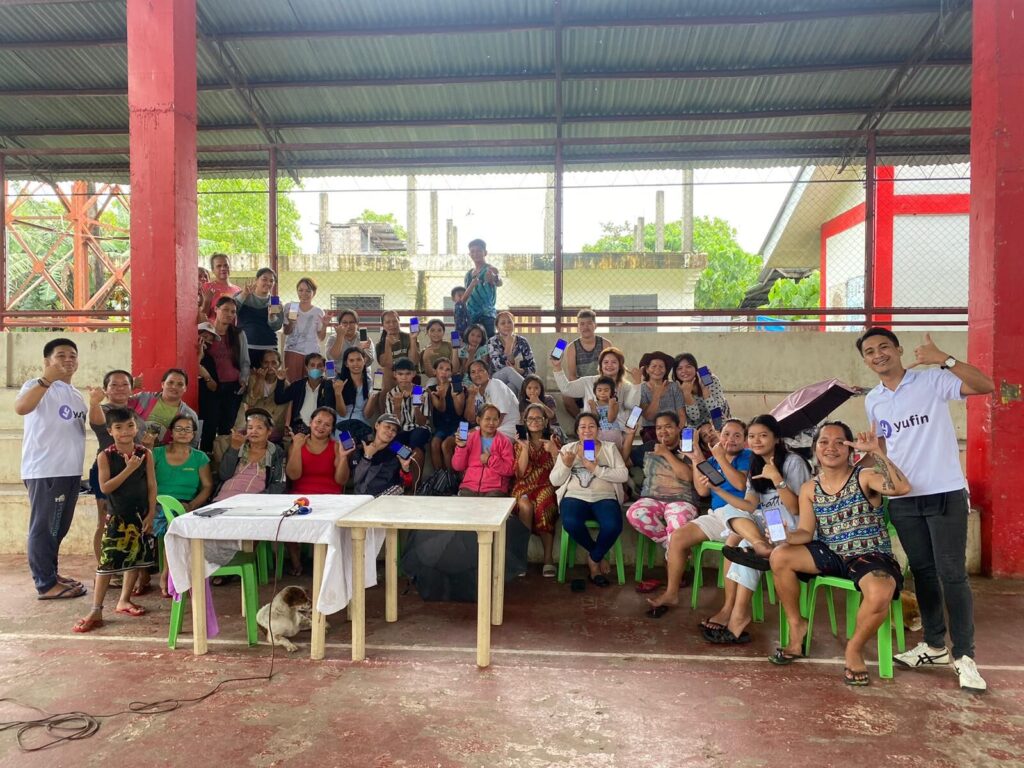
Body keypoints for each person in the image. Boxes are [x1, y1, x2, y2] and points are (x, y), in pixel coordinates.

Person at [859, 328, 994, 692]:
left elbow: (985, 385)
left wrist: (945, 359)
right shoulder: (873, 400)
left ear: (899, 350)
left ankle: (965, 655)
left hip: (945, 491)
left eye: (884, 347)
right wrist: (875, 454)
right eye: (870, 351)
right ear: (866, 361)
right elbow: (887, 449)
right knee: (922, 571)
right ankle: (934, 645)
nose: (878, 355)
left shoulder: (932, 381)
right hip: (903, 500)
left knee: (953, 574)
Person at [768, 421, 911, 685]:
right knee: (780, 556)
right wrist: (787, 537)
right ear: (815, 448)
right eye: (824, 442)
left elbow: (902, 488)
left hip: (869, 554)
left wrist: (877, 452)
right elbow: (806, 533)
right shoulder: (810, 488)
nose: (830, 448)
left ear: (849, 449)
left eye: (839, 442)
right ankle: (797, 626)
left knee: (880, 591)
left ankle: (854, 648)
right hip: (831, 552)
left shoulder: (864, 476)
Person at [708, 415, 810, 644]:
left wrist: (777, 480)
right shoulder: (755, 464)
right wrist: (719, 490)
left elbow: (797, 508)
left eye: (763, 436)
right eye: (752, 436)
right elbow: (749, 505)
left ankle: (738, 618)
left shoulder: (793, 462)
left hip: (792, 527)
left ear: (775, 438)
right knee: (733, 514)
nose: (756, 441)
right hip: (768, 525)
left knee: (743, 548)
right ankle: (759, 546)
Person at [645, 419, 752, 615]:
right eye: (726, 434)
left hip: (741, 516)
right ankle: (671, 593)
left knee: (733, 546)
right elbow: (702, 491)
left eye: (737, 435)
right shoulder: (710, 461)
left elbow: (740, 484)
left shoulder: (747, 456)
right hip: (716, 516)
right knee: (677, 537)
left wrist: (719, 457)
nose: (731, 439)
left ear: (745, 440)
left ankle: (730, 609)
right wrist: (696, 459)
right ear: (720, 436)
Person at [15, 338, 89, 600]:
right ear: (47, 361)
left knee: (58, 527)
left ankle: (51, 573)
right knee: (44, 528)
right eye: (61, 356)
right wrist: (46, 380)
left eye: (72, 355)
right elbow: (21, 407)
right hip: (46, 470)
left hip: (70, 471)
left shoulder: (77, 395)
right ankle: (45, 584)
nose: (68, 360)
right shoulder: (36, 385)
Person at [73, 407, 157, 633]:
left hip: (140, 516)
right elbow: (105, 487)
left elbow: (151, 485)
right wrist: (129, 469)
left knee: (134, 560)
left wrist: (151, 513)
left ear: (136, 426)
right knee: (107, 564)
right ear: (110, 431)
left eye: (129, 426)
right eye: (118, 428)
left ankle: (124, 600)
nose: (125, 431)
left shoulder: (145, 453)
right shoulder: (105, 456)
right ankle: (96, 608)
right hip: (117, 517)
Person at [550, 412, 629, 587]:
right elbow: (555, 480)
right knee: (570, 522)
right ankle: (597, 558)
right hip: (574, 497)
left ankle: (593, 559)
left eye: (591, 426)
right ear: (577, 431)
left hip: (605, 497)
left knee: (613, 525)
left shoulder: (609, 448)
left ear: (598, 430)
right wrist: (567, 465)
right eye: (583, 427)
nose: (587, 430)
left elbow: (623, 475)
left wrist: (596, 469)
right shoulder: (567, 449)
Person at [87, 370, 145, 567]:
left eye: (125, 385)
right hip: (106, 470)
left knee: (130, 519)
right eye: (114, 385)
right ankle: (104, 569)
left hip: (134, 470)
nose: (119, 388)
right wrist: (94, 402)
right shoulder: (103, 411)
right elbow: (96, 421)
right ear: (105, 389)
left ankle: (127, 567)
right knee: (105, 520)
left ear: (132, 389)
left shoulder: (134, 413)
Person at [284, 407, 352, 575]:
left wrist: (343, 458)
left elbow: (341, 480)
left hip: (330, 498)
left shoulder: (337, 447)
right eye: (318, 422)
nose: (321, 427)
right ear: (310, 423)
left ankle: (325, 565)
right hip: (301, 496)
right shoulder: (298, 443)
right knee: (287, 520)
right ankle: (296, 562)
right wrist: (297, 447)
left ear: (332, 429)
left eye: (327, 425)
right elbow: (293, 475)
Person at [625, 411, 699, 564]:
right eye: (659, 428)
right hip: (651, 498)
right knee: (634, 514)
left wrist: (666, 453)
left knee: (677, 523)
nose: (663, 431)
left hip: (682, 500)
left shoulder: (688, 449)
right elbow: (625, 461)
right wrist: (630, 435)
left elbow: (687, 476)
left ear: (678, 428)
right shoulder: (649, 447)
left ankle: (675, 568)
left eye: (668, 427)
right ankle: (673, 547)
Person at [152, 414, 212, 597]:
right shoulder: (157, 453)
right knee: (172, 523)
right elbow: (147, 482)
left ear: (194, 434)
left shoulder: (199, 458)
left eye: (188, 429)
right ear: (171, 432)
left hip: (185, 505)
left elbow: (208, 486)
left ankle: (168, 574)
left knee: (177, 522)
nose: (183, 432)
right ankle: (166, 574)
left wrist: (192, 505)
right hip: (157, 504)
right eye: (179, 428)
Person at [511, 403, 562, 576]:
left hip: (546, 484)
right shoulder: (520, 443)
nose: (534, 421)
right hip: (524, 485)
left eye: (538, 418)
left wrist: (554, 452)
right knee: (525, 505)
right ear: (525, 421)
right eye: (530, 418)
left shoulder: (554, 440)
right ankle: (521, 557)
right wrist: (525, 449)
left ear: (545, 421)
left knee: (544, 505)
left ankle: (548, 558)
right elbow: (520, 473)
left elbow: (561, 470)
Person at [201, 296, 250, 452]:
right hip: (211, 386)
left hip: (233, 386)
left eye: (233, 312)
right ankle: (206, 461)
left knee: (227, 426)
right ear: (216, 310)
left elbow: (244, 361)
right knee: (209, 424)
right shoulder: (205, 332)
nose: (229, 314)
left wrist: (243, 379)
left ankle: (222, 462)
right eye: (226, 310)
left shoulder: (238, 334)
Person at [552, 347, 641, 427]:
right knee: (588, 440)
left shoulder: (626, 386)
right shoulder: (588, 381)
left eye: (614, 362)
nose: (609, 365)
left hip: (615, 434)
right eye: (605, 362)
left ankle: (626, 442)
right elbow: (566, 389)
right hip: (591, 432)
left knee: (636, 411)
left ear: (620, 366)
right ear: (600, 365)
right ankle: (588, 444)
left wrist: (637, 383)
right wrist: (557, 367)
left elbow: (633, 406)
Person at [214, 408, 287, 501]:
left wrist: (257, 500)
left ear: (269, 431)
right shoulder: (238, 445)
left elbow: (279, 484)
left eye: (259, 428)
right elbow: (224, 475)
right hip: (223, 500)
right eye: (250, 428)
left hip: (253, 504)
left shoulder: (275, 452)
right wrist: (234, 449)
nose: (254, 431)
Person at [452, 404, 516, 497]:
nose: (491, 423)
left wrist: (490, 460)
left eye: (495, 419)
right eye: (487, 419)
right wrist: (461, 447)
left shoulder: (505, 442)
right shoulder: (469, 439)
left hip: (495, 488)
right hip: (470, 486)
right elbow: (458, 467)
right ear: (479, 420)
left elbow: (510, 470)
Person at [127, 368, 199, 446]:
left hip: (164, 456)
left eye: (180, 384)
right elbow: (117, 405)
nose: (174, 386)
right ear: (163, 384)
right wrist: (130, 386)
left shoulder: (189, 414)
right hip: (133, 450)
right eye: (170, 382)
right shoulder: (143, 398)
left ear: (185, 388)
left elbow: (193, 444)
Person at [561, 309, 610, 418]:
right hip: (582, 385)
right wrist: (586, 389)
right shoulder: (572, 347)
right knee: (566, 396)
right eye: (582, 324)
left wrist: (597, 388)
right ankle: (582, 422)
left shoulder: (605, 344)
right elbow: (572, 375)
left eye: (589, 323)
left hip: (602, 385)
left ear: (595, 325)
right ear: (578, 327)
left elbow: (609, 372)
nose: (585, 327)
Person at [383, 358, 431, 469]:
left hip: (419, 429)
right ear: (395, 374)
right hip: (401, 429)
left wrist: (417, 408)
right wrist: (397, 407)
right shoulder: (391, 394)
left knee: (416, 439)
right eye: (400, 374)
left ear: (413, 374)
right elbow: (393, 425)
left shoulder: (421, 391)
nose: (404, 377)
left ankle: (415, 483)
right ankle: (407, 458)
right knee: (391, 443)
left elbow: (422, 423)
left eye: (408, 374)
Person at [234, 349, 289, 443]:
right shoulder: (253, 378)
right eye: (266, 363)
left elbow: (282, 411)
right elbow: (251, 401)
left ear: (279, 364)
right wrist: (260, 380)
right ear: (261, 364)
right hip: (253, 422)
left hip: (272, 425)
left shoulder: (285, 384)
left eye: (274, 363)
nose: (270, 366)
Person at [234, 267, 284, 370]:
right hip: (246, 347)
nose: (268, 283)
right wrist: (244, 294)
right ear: (256, 280)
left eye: (271, 281)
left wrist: (271, 316)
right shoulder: (242, 295)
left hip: (269, 350)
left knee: (268, 383)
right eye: (264, 279)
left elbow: (277, 326)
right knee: (247, 382)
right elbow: (231, 310)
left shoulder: (275, 301)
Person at [352, 414, 413, 496]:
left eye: (394, 430)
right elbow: (356, 479)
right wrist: (367, 457)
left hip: (387, 500)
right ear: (377, 425)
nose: (390, 432)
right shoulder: (363, 447)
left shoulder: (397, 450)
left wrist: (405, 470)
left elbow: (407, 485)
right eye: (387, 427)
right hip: (363, 499)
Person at [276, 353, 339, 432]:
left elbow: (330, 407)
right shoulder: (298, 385)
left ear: (323, 368)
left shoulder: (328, 386)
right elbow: (279, 399)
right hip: (299, 427)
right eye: (312, 365)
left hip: (320, 428)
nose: (315, 368)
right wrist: (280, 381)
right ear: (306, 367)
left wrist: (330, 381)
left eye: (319, 366)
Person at [282, 277, 326, 382]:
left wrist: (325, 325)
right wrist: (291, 322)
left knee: (312, 383)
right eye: (300, 290)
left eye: (308, 291)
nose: (304, 294)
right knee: (294, 384)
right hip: (292, 351)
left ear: (314, 293)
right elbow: (286, 332)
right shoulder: (290, 306)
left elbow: (321, 337)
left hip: (312, 353)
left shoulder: (318, 312)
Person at [463, 359, 520, 440]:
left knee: (467, 438)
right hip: (489, 427)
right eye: (473, 372)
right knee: (460, 436)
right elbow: (470, 419)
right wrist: (471, 396)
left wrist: (476, 432)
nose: (477, 375)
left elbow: (500, 417)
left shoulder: (496, 384)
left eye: (480, 371)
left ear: (488, 373)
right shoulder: (474, 391)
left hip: (507, 428)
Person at [638, 351, 685, 442]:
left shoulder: (673, 387)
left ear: (665, 370)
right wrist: (656, 396)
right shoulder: (642, 389)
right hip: (652, 429)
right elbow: (649, 417)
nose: (658, 369)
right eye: (654, 366)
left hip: (674, 428)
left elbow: (681, 415)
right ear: (647, 369)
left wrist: (676, 431)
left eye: (661, 366)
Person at [427, 357, 465, 472]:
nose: (444, 372)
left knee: (446, 445)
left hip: (461, 425)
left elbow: (459, 412)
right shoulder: (431, 389)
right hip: (442, 425)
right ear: (435, 371)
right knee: (434, 444)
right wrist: (442, 396)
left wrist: (454, 397)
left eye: (448, 369)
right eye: (441, 369)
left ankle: (451, 480)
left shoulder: (458, 387)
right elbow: (440, 408)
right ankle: (439, 479)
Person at [673, 353, 731, 428]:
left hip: (720, 424)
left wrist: (704, 390)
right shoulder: (677, 389)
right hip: (698, 429)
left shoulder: (712, 381)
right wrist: (687, 395)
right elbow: (694, 418)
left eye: (688, 366)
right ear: (676, 373)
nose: (684, 371)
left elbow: (717, 414)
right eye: (679, 368)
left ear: (695, 368)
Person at [335, 346, 376, 444]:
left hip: (363, 424)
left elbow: (367, 414)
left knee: (367, 449)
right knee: (348, 448)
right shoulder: (339, 382)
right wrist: (338, 394)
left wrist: (374, 395)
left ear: (364, 360)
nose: (355, 364)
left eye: (358, 359)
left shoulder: (370, 383)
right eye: (351, 360)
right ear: (346, 363)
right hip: (342, 425)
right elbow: (342, 413)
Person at [487, 311, 535, 394]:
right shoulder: (493, 341)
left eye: (510, 322)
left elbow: (533, 368)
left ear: (513, 324)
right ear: (497, 328)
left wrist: (518, 370)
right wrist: (509, 345)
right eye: (503, 323)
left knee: (511, 386)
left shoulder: (522, 341)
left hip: (517, 377)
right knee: (508, 370)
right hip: (497, 377)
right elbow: (499, 366)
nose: (507, 325)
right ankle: (531, 394)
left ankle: (518, 404)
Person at [463, 238, 502, 337]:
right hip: (471, 314)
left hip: (487, 315)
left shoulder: (490, 269)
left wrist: (494, 278)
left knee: (489, 344)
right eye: (473, 251)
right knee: (473, 344)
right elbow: (466, 295)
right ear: (469, 254)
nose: (476, 254)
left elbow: (499, 282)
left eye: (479, 250)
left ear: (485, 252)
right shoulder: (468, 274)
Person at [375, 310, 420, 384]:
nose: (392, 325)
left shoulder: (409, 337)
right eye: (388, 322)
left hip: (410, 376)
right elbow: (387, 365)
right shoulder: (380, 345)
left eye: (395, 321)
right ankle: (377, 393)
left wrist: (413, 339)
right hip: (392, 377)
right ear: (383, 325)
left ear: (399, 322)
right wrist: (388, 345)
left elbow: (414, 361)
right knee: (380, 373)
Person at [517, 373, 561, 437]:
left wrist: (538, 402)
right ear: (524, 389)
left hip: (550, 428)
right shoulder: (523, 403)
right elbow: (523, 420)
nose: (532, 391)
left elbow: (551, 415)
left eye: (536, 388)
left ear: (541, 389)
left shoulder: (548, 399)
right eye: (529, 388)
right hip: (532, 428)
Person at [201, 253, 241, 321]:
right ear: (213, 270)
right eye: (219, 266)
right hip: (213, 330)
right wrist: (207, 301)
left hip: (233, 330)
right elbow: (201, 318)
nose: (223, 268)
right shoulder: (206, 287)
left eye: (226, 265)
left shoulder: (238, 290)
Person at [589, 376, 624, 449]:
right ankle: (589, 458)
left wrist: (611, 405)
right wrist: (593, 407)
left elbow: (610, 419)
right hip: (599, 433)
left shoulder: (615, 404)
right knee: (591, 444)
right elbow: (596, 420)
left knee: (613, 453)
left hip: (613, 432)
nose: (602, 393)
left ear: (611, 392)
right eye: (599, 390)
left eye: (606, 390)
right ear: (595, 391)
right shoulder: (594, 404)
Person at [420, 318, 454, 383]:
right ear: (427, 332)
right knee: (432, 382)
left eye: (439, 330)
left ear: (443, 332)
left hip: (450, 378)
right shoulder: (425, 352)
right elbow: (430, 375)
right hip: (434, 380)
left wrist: (455, 349)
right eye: (432, 330)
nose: (436, 333)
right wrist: (426, 358)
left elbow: (454, 369)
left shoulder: (449, 346)